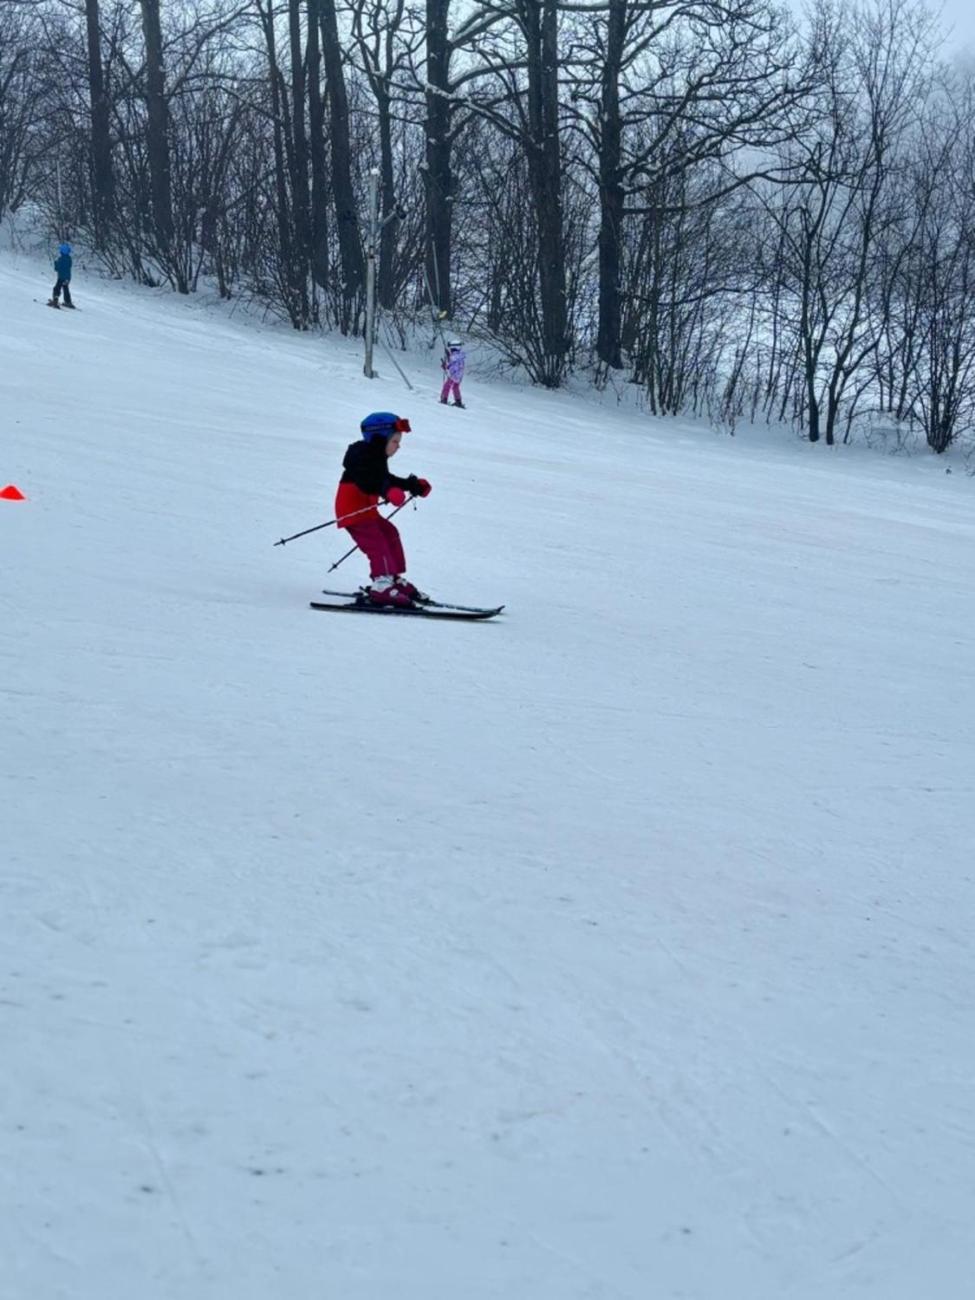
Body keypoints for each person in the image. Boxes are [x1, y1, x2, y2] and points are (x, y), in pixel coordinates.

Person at [335, 411, 432, 607]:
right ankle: (381, 585)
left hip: (367, 511)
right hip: (353, 512)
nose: (399, 446)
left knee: (389, 533)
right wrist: (388, 491)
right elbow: (369, 480)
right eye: (395, 441)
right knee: (377, 542)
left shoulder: (377, 458)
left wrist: (412, 485)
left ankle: (392, 578)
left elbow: (385, 479)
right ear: (379, 439)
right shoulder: (360, 456)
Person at [439, 339, 466, 407]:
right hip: (459, 376)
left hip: (453, 375)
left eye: (451, 349)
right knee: (455, 387)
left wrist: (446, 363)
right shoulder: (460, 356)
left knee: (447, 386)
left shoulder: (455, 356)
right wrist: (446, 366)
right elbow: (451, 364)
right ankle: (458, 401)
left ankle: (444, 399)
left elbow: (451, 362)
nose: (450, 350)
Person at [49, 243, 75, 309]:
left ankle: (55, 300)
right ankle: (68, 301)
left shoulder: (60, 259)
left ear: (61, 251)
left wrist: (55, 263)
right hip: (68, 278)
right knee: (66, 288)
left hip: (61, 278)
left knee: (57, 288)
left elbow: (57, 269)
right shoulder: (69, 259)